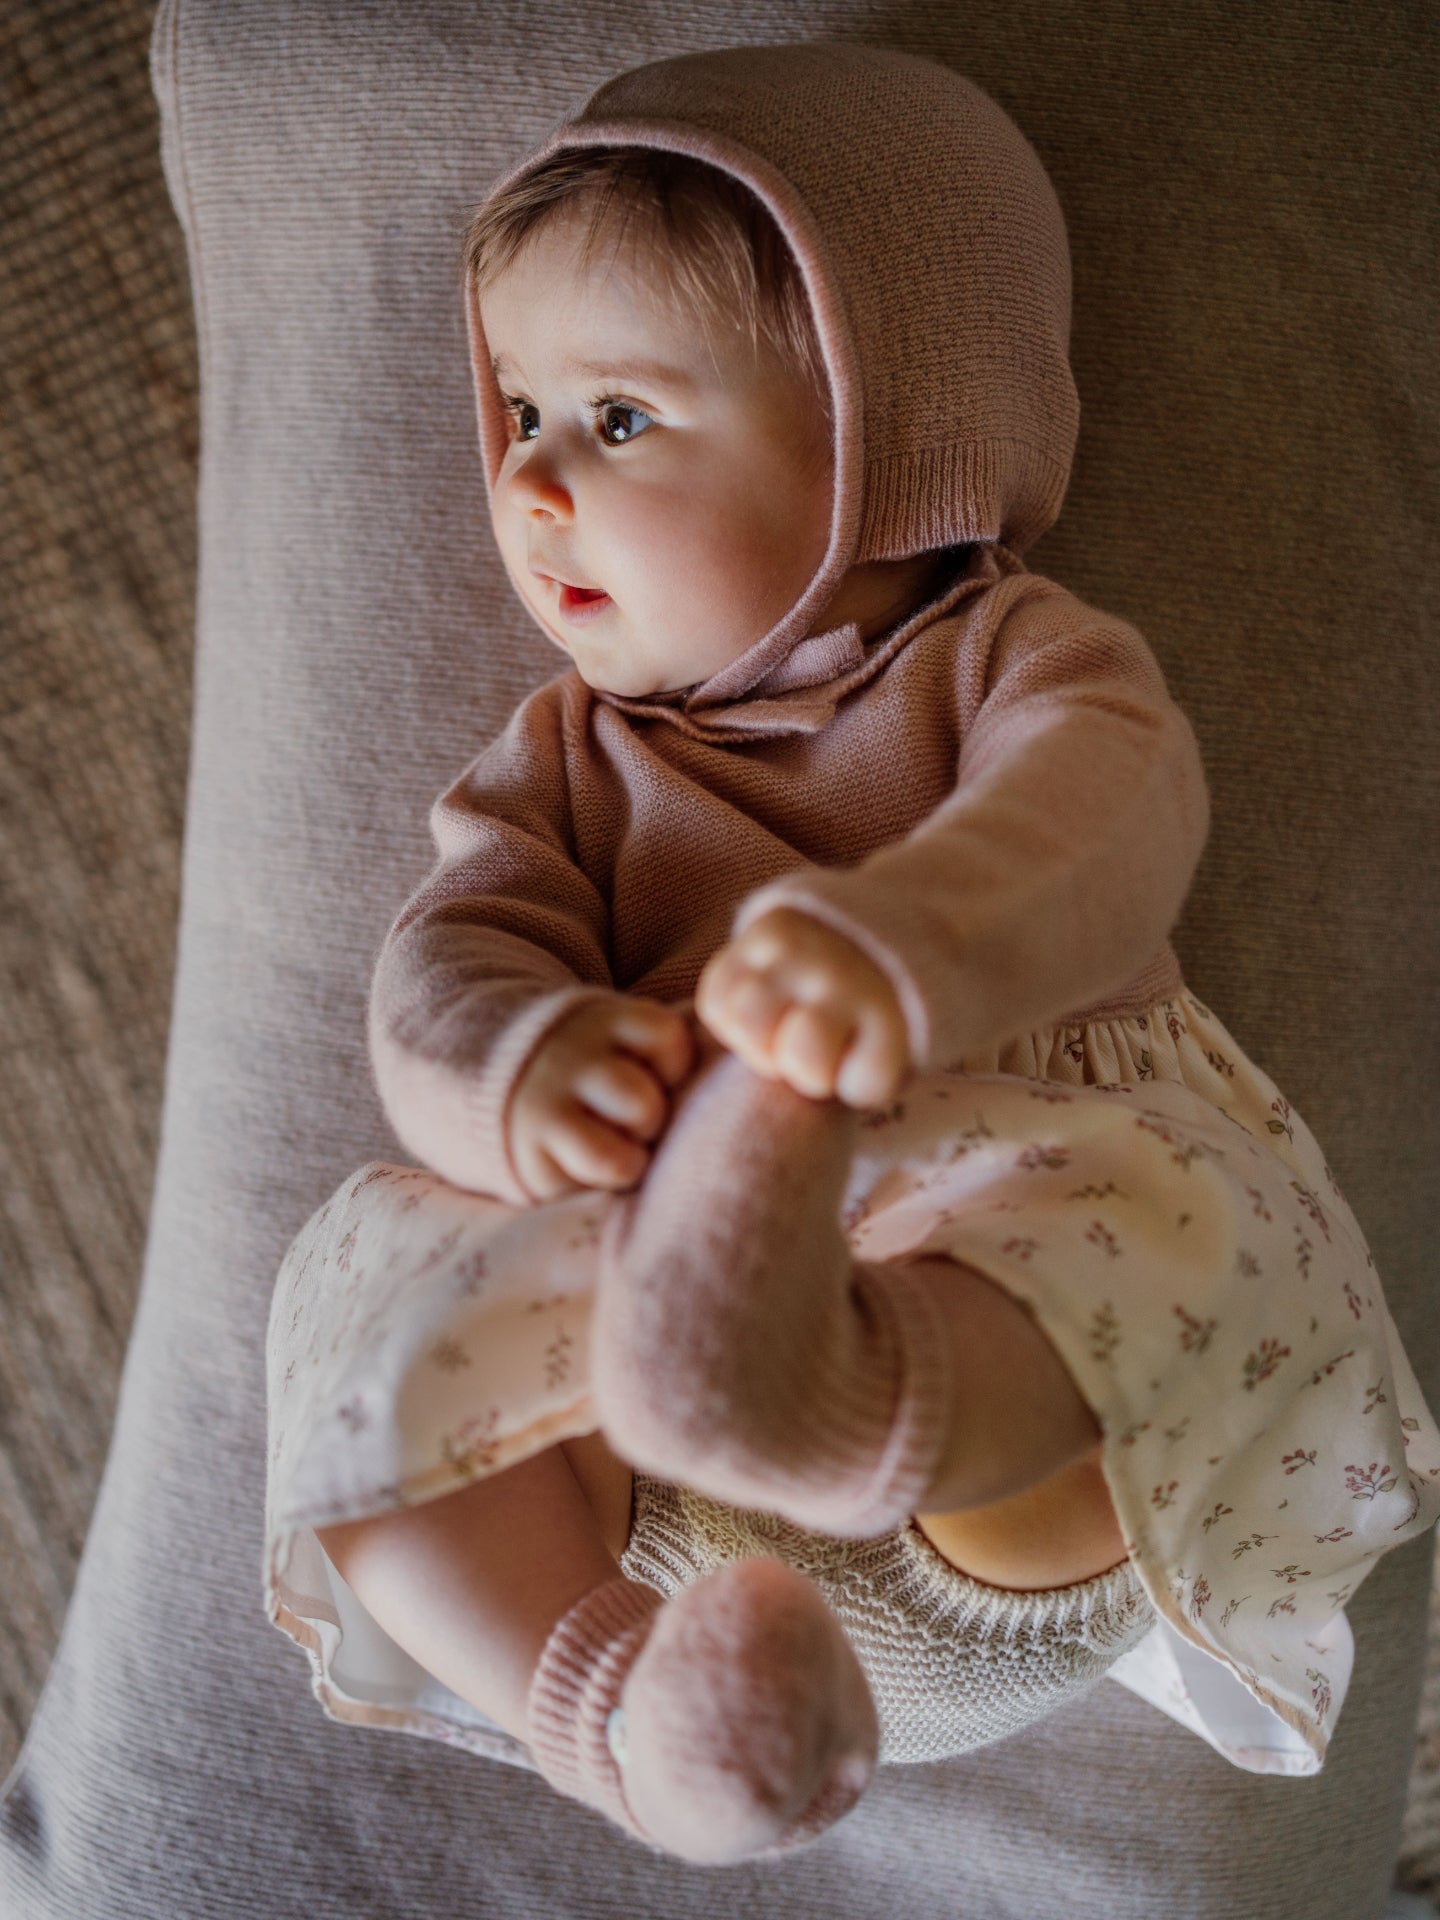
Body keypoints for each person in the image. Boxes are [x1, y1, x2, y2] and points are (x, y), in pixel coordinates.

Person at [263, 44, 1439, 1867]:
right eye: (520, 415)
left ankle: (831, 1384)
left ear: (897, 430)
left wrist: (907, 948)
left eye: (621, 419)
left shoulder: (1008, 663)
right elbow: (448, 961)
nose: (537, 483)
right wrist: (515, 1079)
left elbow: (1111, 814)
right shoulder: (564, 764)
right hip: (639, 1467)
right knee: (368, 1310)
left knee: (1143, 1244)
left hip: (984, 1433)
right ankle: (609, 1713)